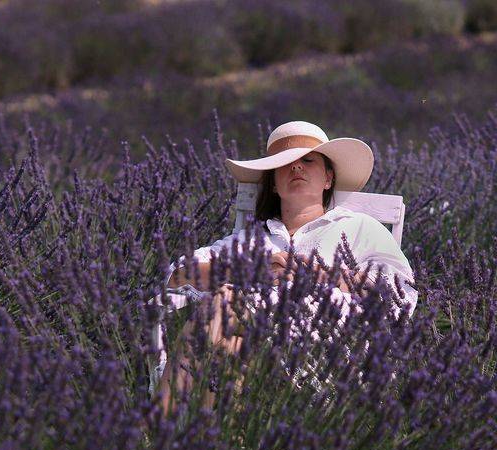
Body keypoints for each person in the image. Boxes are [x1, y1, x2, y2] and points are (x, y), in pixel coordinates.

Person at [153, 120, 418, 415]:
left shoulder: (359, 227)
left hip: (325, 349)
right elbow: (176, 275)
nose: (297, 167)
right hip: (258, 349)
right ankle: (226, 441)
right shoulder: (251, 240)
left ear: (328, 178)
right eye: (285, 164)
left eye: (308, 160)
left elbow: (399, 291)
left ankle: (156, 424)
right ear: (274, 184)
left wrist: (319, 274)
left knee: (224, 301)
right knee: (227, 349)